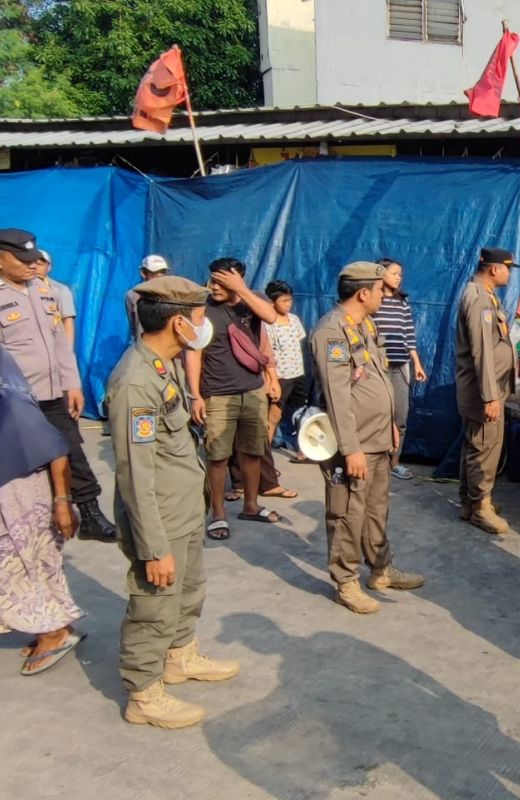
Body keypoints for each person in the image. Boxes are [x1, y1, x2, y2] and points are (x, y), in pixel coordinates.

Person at [108, 276, 241, 728]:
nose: (206, 327)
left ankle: (179, 656)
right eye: (200, 317)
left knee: (188, 591)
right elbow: (134, 471)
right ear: (180, 324)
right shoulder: (134, 381)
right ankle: (143, 693)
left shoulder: (163, 366)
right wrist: (152, 546)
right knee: (154, 604)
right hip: (159, 517)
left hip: (183, 506)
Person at [309, 261, 425, 614]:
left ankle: (381, 569)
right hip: (354, 444)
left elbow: (375, 378)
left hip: (377, 437)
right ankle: (346, 581)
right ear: (363, 293)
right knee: (347, 513)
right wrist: (351, 449)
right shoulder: (331, 333)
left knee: (376, 509)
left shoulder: (363, 325)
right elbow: (337, 396)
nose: (382, 295)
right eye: (378, 290)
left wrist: (390, 422)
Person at [0, 227, 116, 543]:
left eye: (32, 259)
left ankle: (90, 513)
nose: (29, 265)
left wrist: (72, 385)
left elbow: (59, 346)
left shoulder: (44, 291)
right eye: (21, 259)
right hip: (15, 402)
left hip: (52, 394)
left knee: (70, 449)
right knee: (24, 465)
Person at [0, 345, 85, 677]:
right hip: (13, 487)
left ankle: (51, 633)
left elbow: (53, 446)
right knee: (29, 564)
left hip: (15, 490)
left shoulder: (11, 401)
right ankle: (53, 627)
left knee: (20, 565)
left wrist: (63, 503)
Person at [185, 257, 281, 540]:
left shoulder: (251, 303)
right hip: (218, 394)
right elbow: (193, 353)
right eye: (212, 279)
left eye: (222, 281)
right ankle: (217, 514)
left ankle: (250, 505)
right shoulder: (202, 309)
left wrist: (241, 289)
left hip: (253, 390)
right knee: (218, 456)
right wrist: (196, 395)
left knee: (252, 452)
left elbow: (272, 317)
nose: (214, 286)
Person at [455, 247, 518, 535]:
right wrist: (490, 395)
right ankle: (481, 507)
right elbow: (481, 351)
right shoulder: (479, 300)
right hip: (483, 392)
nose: (509, 273)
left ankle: (471, 502)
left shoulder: (486, 296)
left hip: (486, 388)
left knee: (475, 445)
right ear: (495, 269)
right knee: (484, 448)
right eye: (507, 268)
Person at [375, 258, 428, 480]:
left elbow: (408, 334)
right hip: (376, 369)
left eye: (400, 274)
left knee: (400, 417)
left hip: (399, 367)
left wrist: (416, 362)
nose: (398, 277)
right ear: (380, 273)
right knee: (376, 417)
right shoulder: (373, 301)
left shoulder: (402, 303)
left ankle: (394, 463)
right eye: (394, 273)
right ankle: (374, 464)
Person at [264, 280, 308, 451]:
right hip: (280, 377)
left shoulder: (294, 320)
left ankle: (304, 451)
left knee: (301, 413)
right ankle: (264, 452)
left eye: (290, 300)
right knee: (274, 415)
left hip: (298, 374)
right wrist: (271, 379)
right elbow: (266, 355)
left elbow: (299, 343)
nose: (288, 305)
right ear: (272, 302)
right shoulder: (268, 324)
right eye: (284, 301)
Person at [33, 250, 77, 349]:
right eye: (31, 263)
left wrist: (68, 351)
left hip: (51, 346)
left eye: (40, 264)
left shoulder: (60, 290)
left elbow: (67, 321)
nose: (35, 267)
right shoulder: (15, 288)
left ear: (49, 267)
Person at [126, 254, 170, 340]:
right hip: (143, 346)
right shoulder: (132, 295)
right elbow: (133, 324)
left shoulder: (170, 294)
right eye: (155, 271)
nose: (160, 274)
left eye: (163, 271)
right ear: (143, 273)